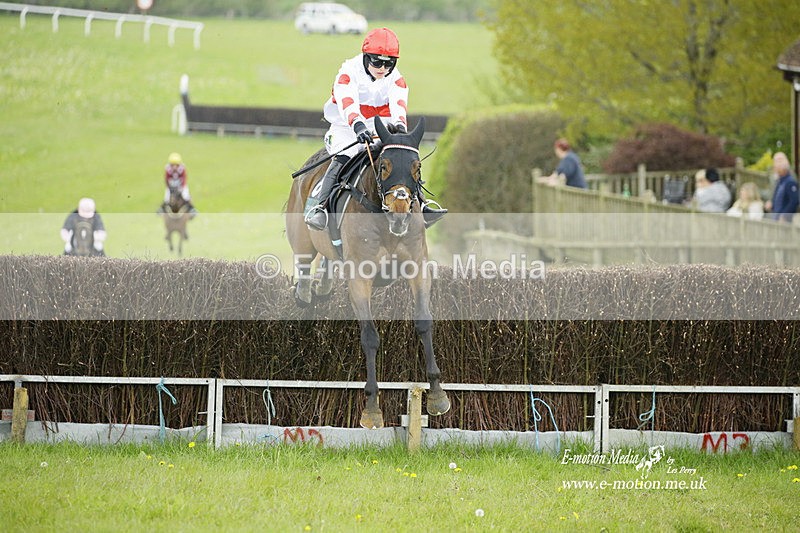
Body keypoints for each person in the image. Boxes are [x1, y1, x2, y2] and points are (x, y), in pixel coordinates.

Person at [304, 27, 446, 231]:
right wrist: (358, 125)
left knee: (402, 157)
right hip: (346, 126)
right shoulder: (348, 72)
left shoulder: (397, 79)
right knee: (345, 155)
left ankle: (422, 205)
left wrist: (399, 131)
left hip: (380, 127)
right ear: (365, 56)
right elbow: (348, 104)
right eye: (376, 62)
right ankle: (320, 208)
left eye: (389, 63)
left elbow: (399, 108)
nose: (382, 68)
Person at [159, 152, 198, 217]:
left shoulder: (182, 169)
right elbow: (166, 179)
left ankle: (192, 209)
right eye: (172, 165)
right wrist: (169, 187)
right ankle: (161, 209)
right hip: (171, 185)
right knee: (167, 197)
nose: (174, 167)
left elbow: (184, 178)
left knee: (186, 196)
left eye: (176, 165)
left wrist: (182, 187)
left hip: (181, 185)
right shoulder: (168, 169)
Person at [764, 152, 798, 223]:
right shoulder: (779, 182)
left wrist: (785, 216)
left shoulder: (790, 182)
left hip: (784, 221)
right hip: (776, 218)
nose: (775, 167)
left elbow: (794, 201)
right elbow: (777, 198)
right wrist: (771, 203)